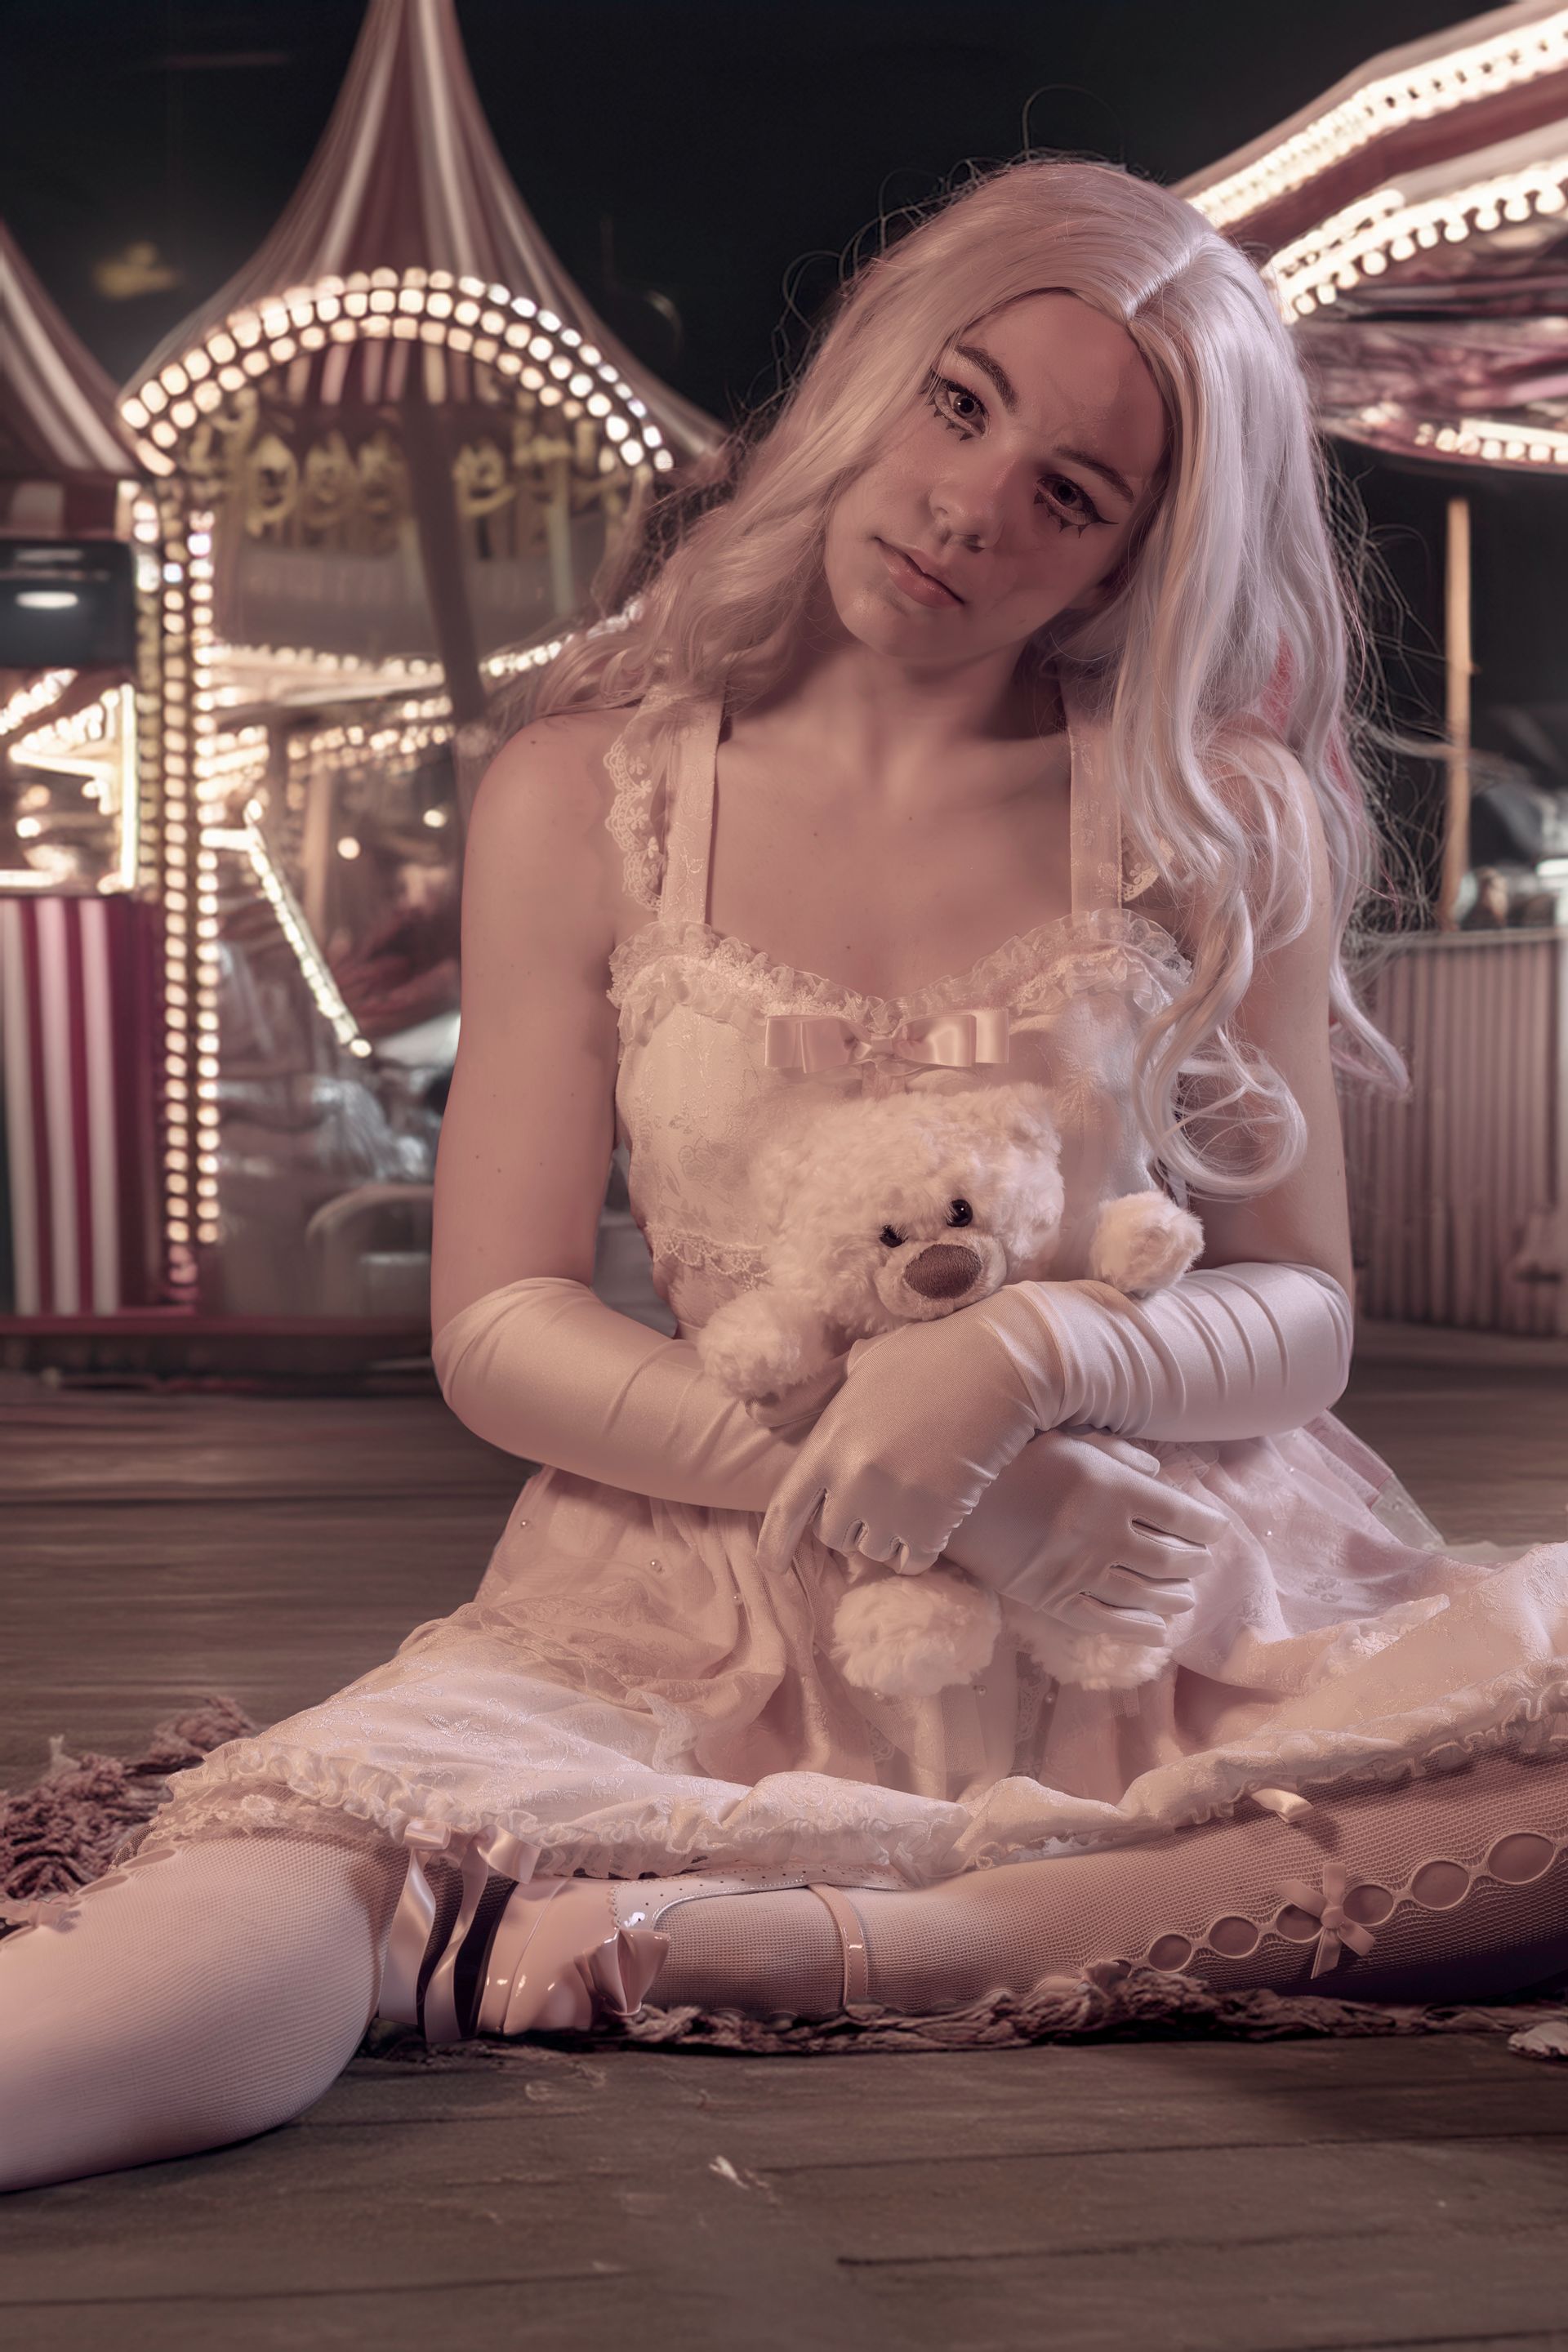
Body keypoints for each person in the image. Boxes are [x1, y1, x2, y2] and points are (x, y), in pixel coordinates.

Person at [5, 155, 1568, 2192]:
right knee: (310, 1868)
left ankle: (874, 1948)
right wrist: (943, 1501)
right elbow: (496, 1319)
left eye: (1072, 496)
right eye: (964, 402)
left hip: (1179, 1584)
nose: (971, 506)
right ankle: (662, 1929)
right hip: (699, 1574)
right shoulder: (592, 789)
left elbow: (1301, 1312)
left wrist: (1028, 1370)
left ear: (1127, 564)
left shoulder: (1214, 817)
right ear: (880, 372)